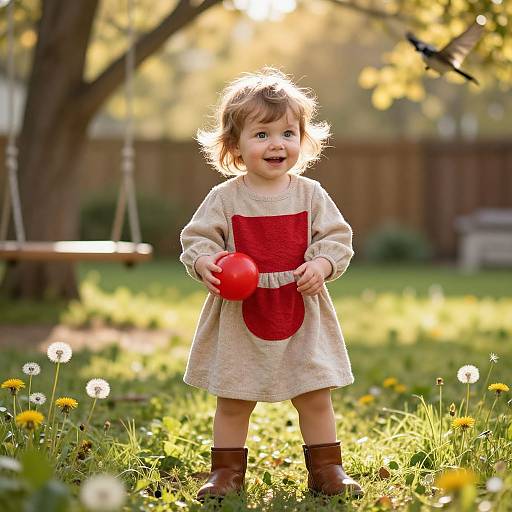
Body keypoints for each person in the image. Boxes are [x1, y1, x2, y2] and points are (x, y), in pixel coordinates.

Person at [180, 68, 363, 501]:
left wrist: (322, 263)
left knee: (315, 395)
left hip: (301, 308)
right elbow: (197, 237)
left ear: (303, 138)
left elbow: (337, 238)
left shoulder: (311, 194)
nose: (277, 144)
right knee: (234, 399)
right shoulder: (225, 198)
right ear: (235, 146)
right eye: (261, 134)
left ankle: (327, 471)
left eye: (288, 132)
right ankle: (225, 474)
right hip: (241, 315)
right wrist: (206, 260)